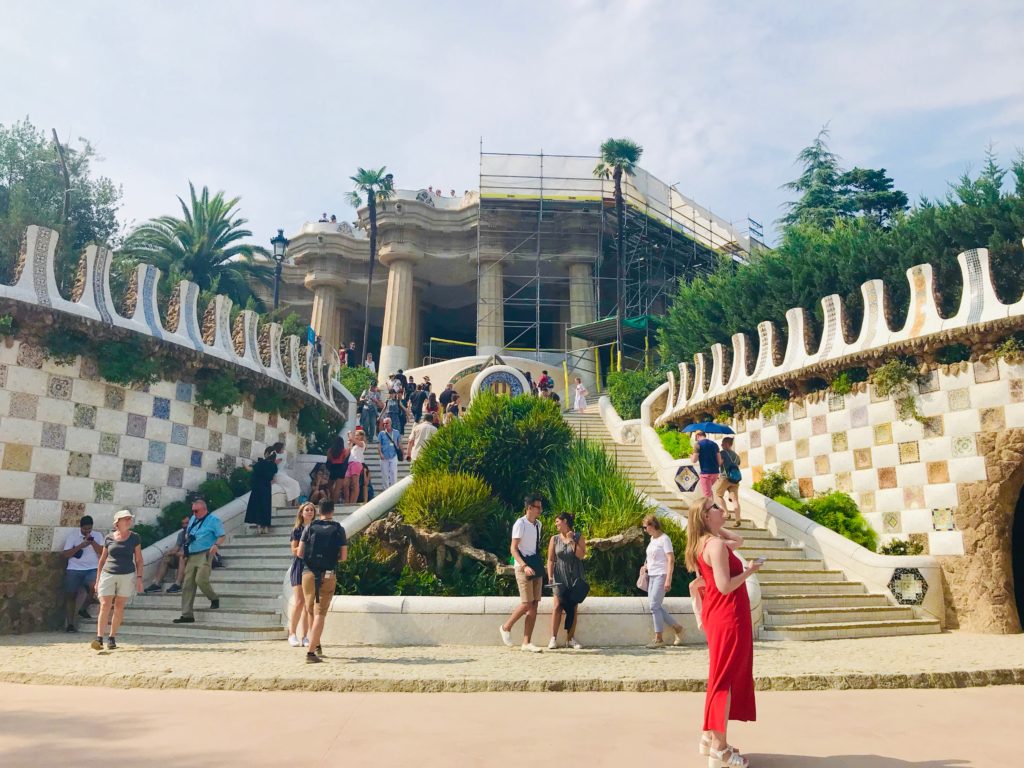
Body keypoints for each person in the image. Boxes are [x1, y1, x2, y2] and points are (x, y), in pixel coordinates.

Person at [685, 497, 759, 767]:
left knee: (719, 677)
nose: (719, 508)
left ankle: (709, 737)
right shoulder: (714, 545)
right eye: (714, 507)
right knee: (723, 682)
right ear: (705, 517)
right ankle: (720, 750)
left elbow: (737, 541)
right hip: (728, 615)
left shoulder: (707, 542)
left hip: (720, 615)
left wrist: (716, 526)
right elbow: (725, 585)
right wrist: (750, 571)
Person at [298, 501, 348, 663]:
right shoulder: (339, 529)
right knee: (320, 613)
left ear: (319, 510)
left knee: (311, 609)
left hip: (308, 572)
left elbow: (300, 552)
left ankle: (316, 643)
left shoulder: (309, 527)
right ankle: (311, 652)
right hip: (327, 573)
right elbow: (344, 557)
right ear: (333, 510)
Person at [90, 510, 143, 650]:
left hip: (127, 574)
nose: (128, 521)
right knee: (105, 604)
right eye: (125, 519)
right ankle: (99, 638)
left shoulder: (135, 538)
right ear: (117, 522)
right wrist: (97, 580)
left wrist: (139, 578)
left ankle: (112, 637)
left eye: (129, 519)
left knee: (119, 605)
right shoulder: (109, 538)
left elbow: (138, 559)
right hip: (108, 573)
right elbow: (102, 560)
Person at [499, 494, 545, 653]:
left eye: (540, 506)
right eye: (538, 507)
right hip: (522, 566)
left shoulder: (538, 524)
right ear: (529, 508)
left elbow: (535, 547)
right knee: (526, 603)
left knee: (534, 605)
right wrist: (524, 565)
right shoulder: (520, 523)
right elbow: (513, 548)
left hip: (535, 565)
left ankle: (527, 642)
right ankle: (506, 627)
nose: (540, 510)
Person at [173, 498, 225, 624]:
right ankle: (187, 615)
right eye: (193, 511)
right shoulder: (192, 519)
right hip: (192, 554)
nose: (194, 513)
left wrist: (216, 545)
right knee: (187, 584)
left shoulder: (213, 520)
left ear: (204, 509)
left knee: (200, 579)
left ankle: (213, 598)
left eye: (196, 511)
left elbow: (222, 535)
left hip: (205, 553)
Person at [639, 514, 684, 648]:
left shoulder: (665, 539)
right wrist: (646, 567)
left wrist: (668, 579)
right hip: (652, 575)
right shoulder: (653, 539)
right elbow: (653, 557)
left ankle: (659, 639)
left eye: (645, 527)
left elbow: (671, 559)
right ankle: (677, 627)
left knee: (654, 606)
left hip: (661, 575)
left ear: (652, 526)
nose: (645, 529)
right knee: (655, 606)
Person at [546, 512, 586, 649]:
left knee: (573, 608)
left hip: (575, 576)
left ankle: (570, 638)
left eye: (557, 521)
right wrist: (550, 576)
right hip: (559, 575)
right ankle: (553, 638)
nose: (556, 524)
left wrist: (571, 541)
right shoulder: (554, 539)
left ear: (565, 522)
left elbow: (581, 555)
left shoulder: (578, 537)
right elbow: (551, 559)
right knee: (557, 606)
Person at [62, 515, 103, 632]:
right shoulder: (73, 536)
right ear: (81, 527)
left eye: (89, 529)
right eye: (85, 529)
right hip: (74, 569)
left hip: (92, 568)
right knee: (71, 595)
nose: (87, 531)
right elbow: (66, 554)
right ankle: (70, 624)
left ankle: (83, 608)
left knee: (94, 588)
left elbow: (102, 551)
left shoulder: (98, 536)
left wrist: (92, 542)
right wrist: (81, 545)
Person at [287, 502, 317, 647]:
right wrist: (305, 545)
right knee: (299, 601)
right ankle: (292, 633)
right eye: (307, 510)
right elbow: (293, 550)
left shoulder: (316, 528)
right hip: (299, 565)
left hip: (312, 566)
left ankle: (305, 635)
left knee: (308, 603)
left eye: (312, 510)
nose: (310, 512)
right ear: (301, 513)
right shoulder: (297, 530)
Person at [143, 515, 189, 594]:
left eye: (187, 523)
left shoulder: (196, 533)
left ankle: (177, 584)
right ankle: (156, 584)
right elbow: (176, 547)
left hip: (191, 558)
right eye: (183, 523)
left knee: (182, 557)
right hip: (181, 555)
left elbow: (193, 550)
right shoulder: (181, 534)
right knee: (166, 558)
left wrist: (180, 553)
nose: (185, 525)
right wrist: (169, 552)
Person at [245, 447, 277, 534]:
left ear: (266, 453)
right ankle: (265, 527)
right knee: (266, 507)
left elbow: (250, 469)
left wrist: (244, 464)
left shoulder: (261, 463)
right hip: (267, 488)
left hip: (257, 488)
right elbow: (273, 479)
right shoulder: (274, 465)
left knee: (257, 507)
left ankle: (259, 527)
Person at [714, 436, 743, 527]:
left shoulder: (722, 453)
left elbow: (719, 463)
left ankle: (726, 512)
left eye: (723, 443)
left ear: (727, 444)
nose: (721, 445)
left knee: (718, 495)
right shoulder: (736, 455)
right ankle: (738, 519)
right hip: (735, 479)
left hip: (724, 478)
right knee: (735, 500)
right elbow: (738, 464)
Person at [690, 430, 722, 499]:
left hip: (706, 474)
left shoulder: (697, 444)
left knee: (707, 495)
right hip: (715, 473)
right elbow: (719, 462)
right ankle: (712, 507)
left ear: (697, 436)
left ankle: (709, 509)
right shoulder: (714, 444)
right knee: (709, 492)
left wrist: (691, 456)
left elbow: (694, 460)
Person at [377, 416, 402, 491]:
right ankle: (386, 490)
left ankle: (394, 489)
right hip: (384, 456)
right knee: (385, 474)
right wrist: (380, 454)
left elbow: (399, 443)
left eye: (387, 423)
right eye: (384, 423)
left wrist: (402, 452)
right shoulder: (381, 433)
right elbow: (379, 444)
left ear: (390, 423)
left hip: (393, 455)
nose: (385, 425)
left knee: (393, 473)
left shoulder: (396, 432)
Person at [345, 428, 367, 504]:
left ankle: (353, 502)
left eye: (357, 435)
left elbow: (351, 438)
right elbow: (348, 451)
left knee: (355, 483)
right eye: (355, 435)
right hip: (350, 464)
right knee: (345, 484)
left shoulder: (362, 444)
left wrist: (350, 434)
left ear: (361, 436)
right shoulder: (355, 446)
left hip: (356, 463)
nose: (356, 436)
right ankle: (348, 502)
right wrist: (350, 443)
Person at [324, 437, 349, 503]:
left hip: (333, 468)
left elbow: (328, 459)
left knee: (329, 485)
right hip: (341, 469)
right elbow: (345, 461)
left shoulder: (330, 450)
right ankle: (335, 503)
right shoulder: (344, 451)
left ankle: (332, 497)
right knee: (337, 489)